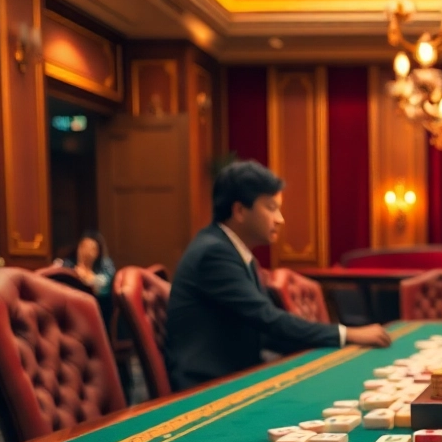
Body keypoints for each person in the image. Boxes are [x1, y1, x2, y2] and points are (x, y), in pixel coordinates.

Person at [166, 160, 391, 391]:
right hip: (206, 389)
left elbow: (264, 329)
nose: (280, 219)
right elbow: (268, 319)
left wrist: (335, 341)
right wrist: (347, 333)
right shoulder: (214, 253)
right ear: (240, 211)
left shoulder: (234, 251)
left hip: (235, 377)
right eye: (271, 208)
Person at [54, 230, 115, 296]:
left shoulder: (105, 265)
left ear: (98, 252)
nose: (86, 251)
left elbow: (106, 287)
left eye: (92, 248)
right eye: (83, 246)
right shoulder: (66, 264)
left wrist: (89, 278)